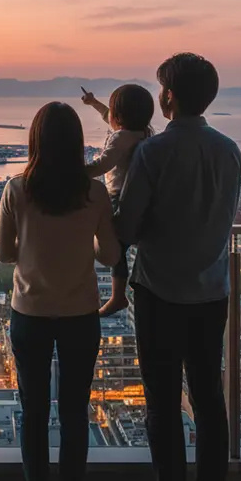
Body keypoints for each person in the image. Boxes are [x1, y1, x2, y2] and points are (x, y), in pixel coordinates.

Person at [114, 53, 241, 481]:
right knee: (209, 399)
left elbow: (126, 226)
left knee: (162, 404)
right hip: (212, 292)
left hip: (160, 292)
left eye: (161, 87)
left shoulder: (153, 153)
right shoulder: (229, 150)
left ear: (168, 95)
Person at [0, 101, 121, 481]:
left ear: (36, 141)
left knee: (32, 411)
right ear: (77, 144)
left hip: (29, 311)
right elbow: (110, 254)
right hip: (80, 313)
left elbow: (2, 253)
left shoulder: (17, 188)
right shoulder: (95, 193)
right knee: (73, 412)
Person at [80, 84, 155, 316]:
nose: (108, 115)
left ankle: (117, 295)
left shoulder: (121, 137)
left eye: (111, 110)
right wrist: (94, 103)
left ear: (119, 116)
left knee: (115, 247)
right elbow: (108, 117)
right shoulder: (142, 133)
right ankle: (122, 294)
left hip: (118, 196)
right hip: (140, 195)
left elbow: (103, 164)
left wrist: (74, 171)